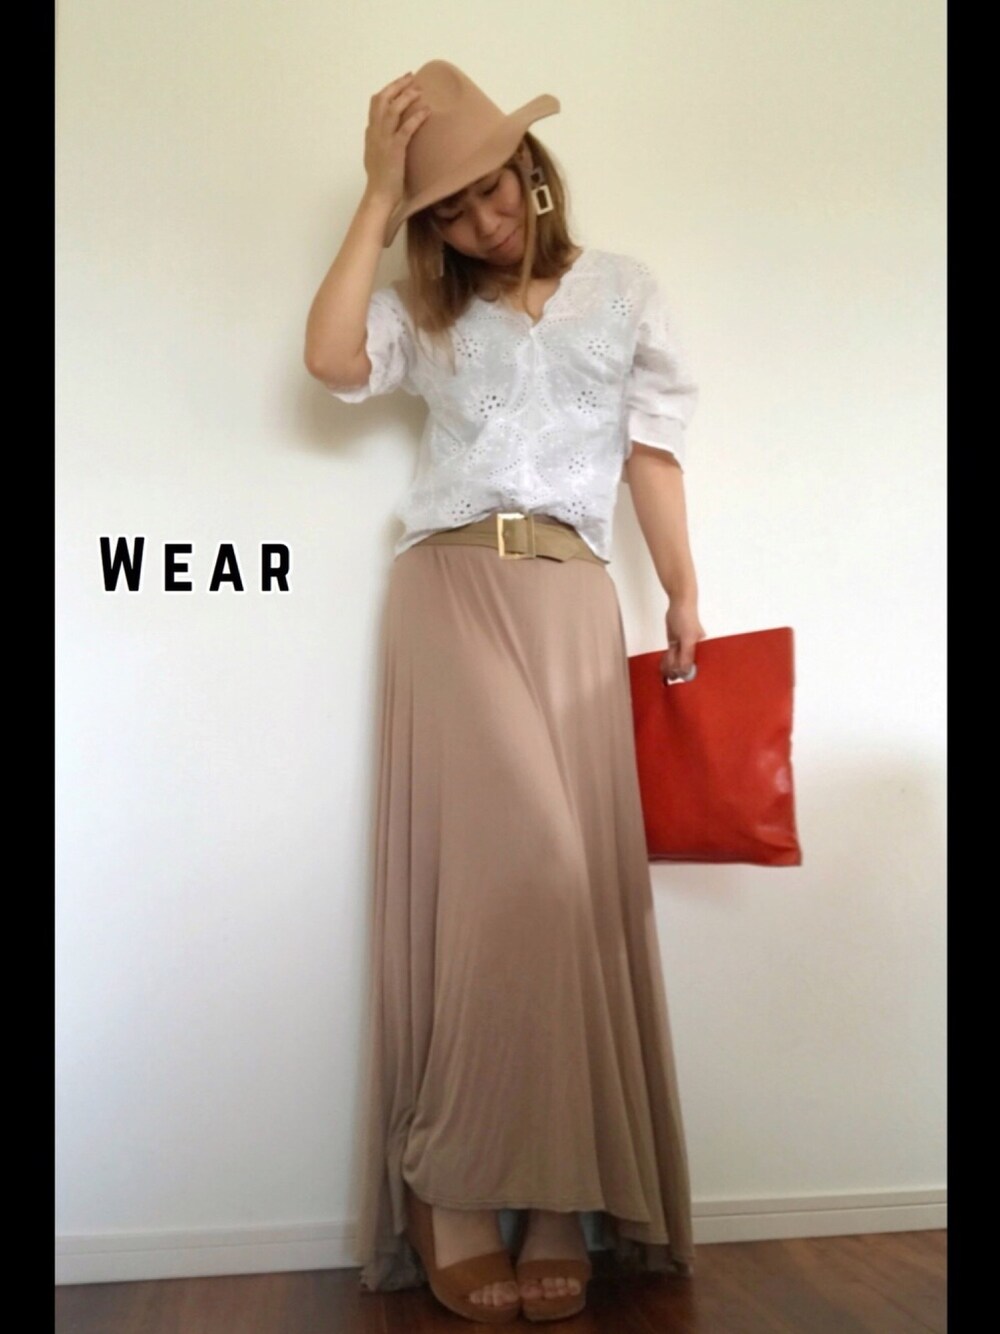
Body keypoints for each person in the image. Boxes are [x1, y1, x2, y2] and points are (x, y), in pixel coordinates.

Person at [305, 59, 703, 1326]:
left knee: (565, 897)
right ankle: (453, 1182)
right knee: (516, 872)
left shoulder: (623, 289)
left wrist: (682, 592)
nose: (483, 220)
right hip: (452, 595)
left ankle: (550, 1195)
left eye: (494, 189)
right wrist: (378, 195)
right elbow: (327, 359)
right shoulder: (422, 314)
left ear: (533, 171)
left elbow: (649, 454)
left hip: (575, 598)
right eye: (451, 210)